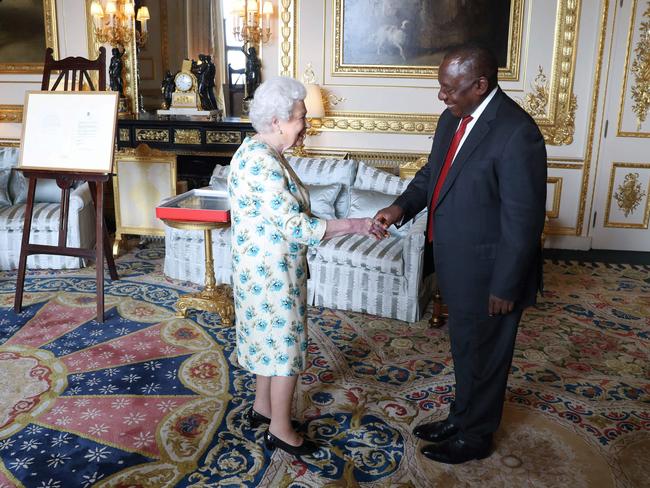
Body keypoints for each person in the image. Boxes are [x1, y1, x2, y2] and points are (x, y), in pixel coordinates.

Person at [374, 45, 547, 465]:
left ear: (480, 85)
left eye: (449, 88)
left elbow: (523, 219)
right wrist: (401, 207)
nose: (441, 96)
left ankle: (476, 437)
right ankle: (462, 416)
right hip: (458, 265)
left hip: (491, 275)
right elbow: (433, 173)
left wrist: (506, 284)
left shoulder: (516, 132)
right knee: (467, 349)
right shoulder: (453, 119)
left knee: (486, 358)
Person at [227, 76, 385, 458]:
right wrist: (357, 224)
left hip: (263, 267)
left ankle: (263, 410)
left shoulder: (257, 151)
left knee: (268, 341)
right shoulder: (262, 163)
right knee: (284, 348)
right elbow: (298, 226)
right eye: (300, 117)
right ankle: (281, 430)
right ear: (278, 121)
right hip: (272, 274)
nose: (305, 124)